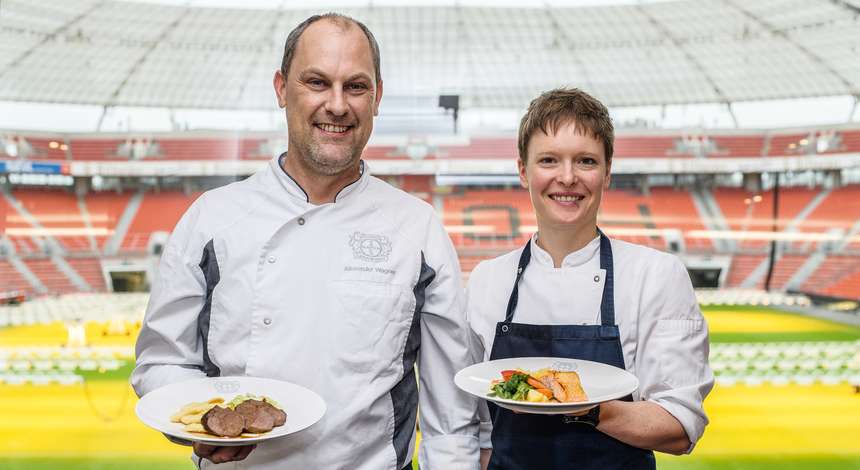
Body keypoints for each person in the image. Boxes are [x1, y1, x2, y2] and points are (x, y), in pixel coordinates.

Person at [132, 13, 480, 470]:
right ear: (281, 88)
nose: (337, 105)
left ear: (377, 97)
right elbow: (161, 361)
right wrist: (197, 424)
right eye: (317, 82)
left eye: (356, 87)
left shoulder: (417, 229)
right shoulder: (212, 218)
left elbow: (450, 417)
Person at [466, 88, 714, 470]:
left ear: (607, 172)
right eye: (549, 160)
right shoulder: (487, 281)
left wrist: (583, 407)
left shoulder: (656, 276)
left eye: (585, 161)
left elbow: (680, 427)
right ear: (523, 171)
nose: (567, 178)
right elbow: (480, 431)